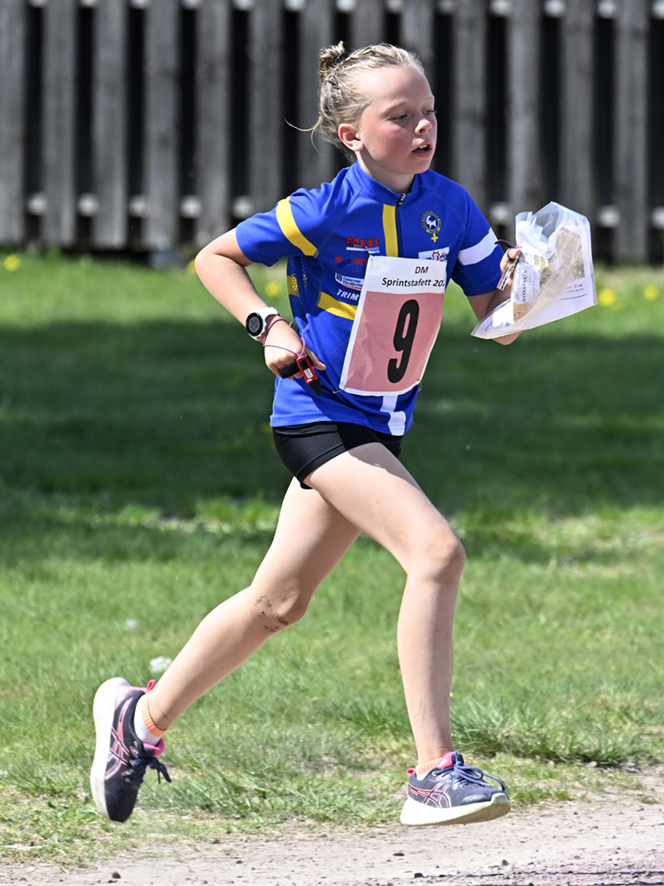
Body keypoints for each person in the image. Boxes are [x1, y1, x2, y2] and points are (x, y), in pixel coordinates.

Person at [89, 41, 522, 828]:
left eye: (428, 112)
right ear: (351, 134)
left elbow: (497, 320)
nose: (422, 128)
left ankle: (138, 721)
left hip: (379, 426)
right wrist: (268, 326)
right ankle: (433, 773)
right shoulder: (323, 209)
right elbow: (216, 258)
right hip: (318, 417)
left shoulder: (450, 206)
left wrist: (528, 289)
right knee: (436, 553)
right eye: (400, 116)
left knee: (277, 603)